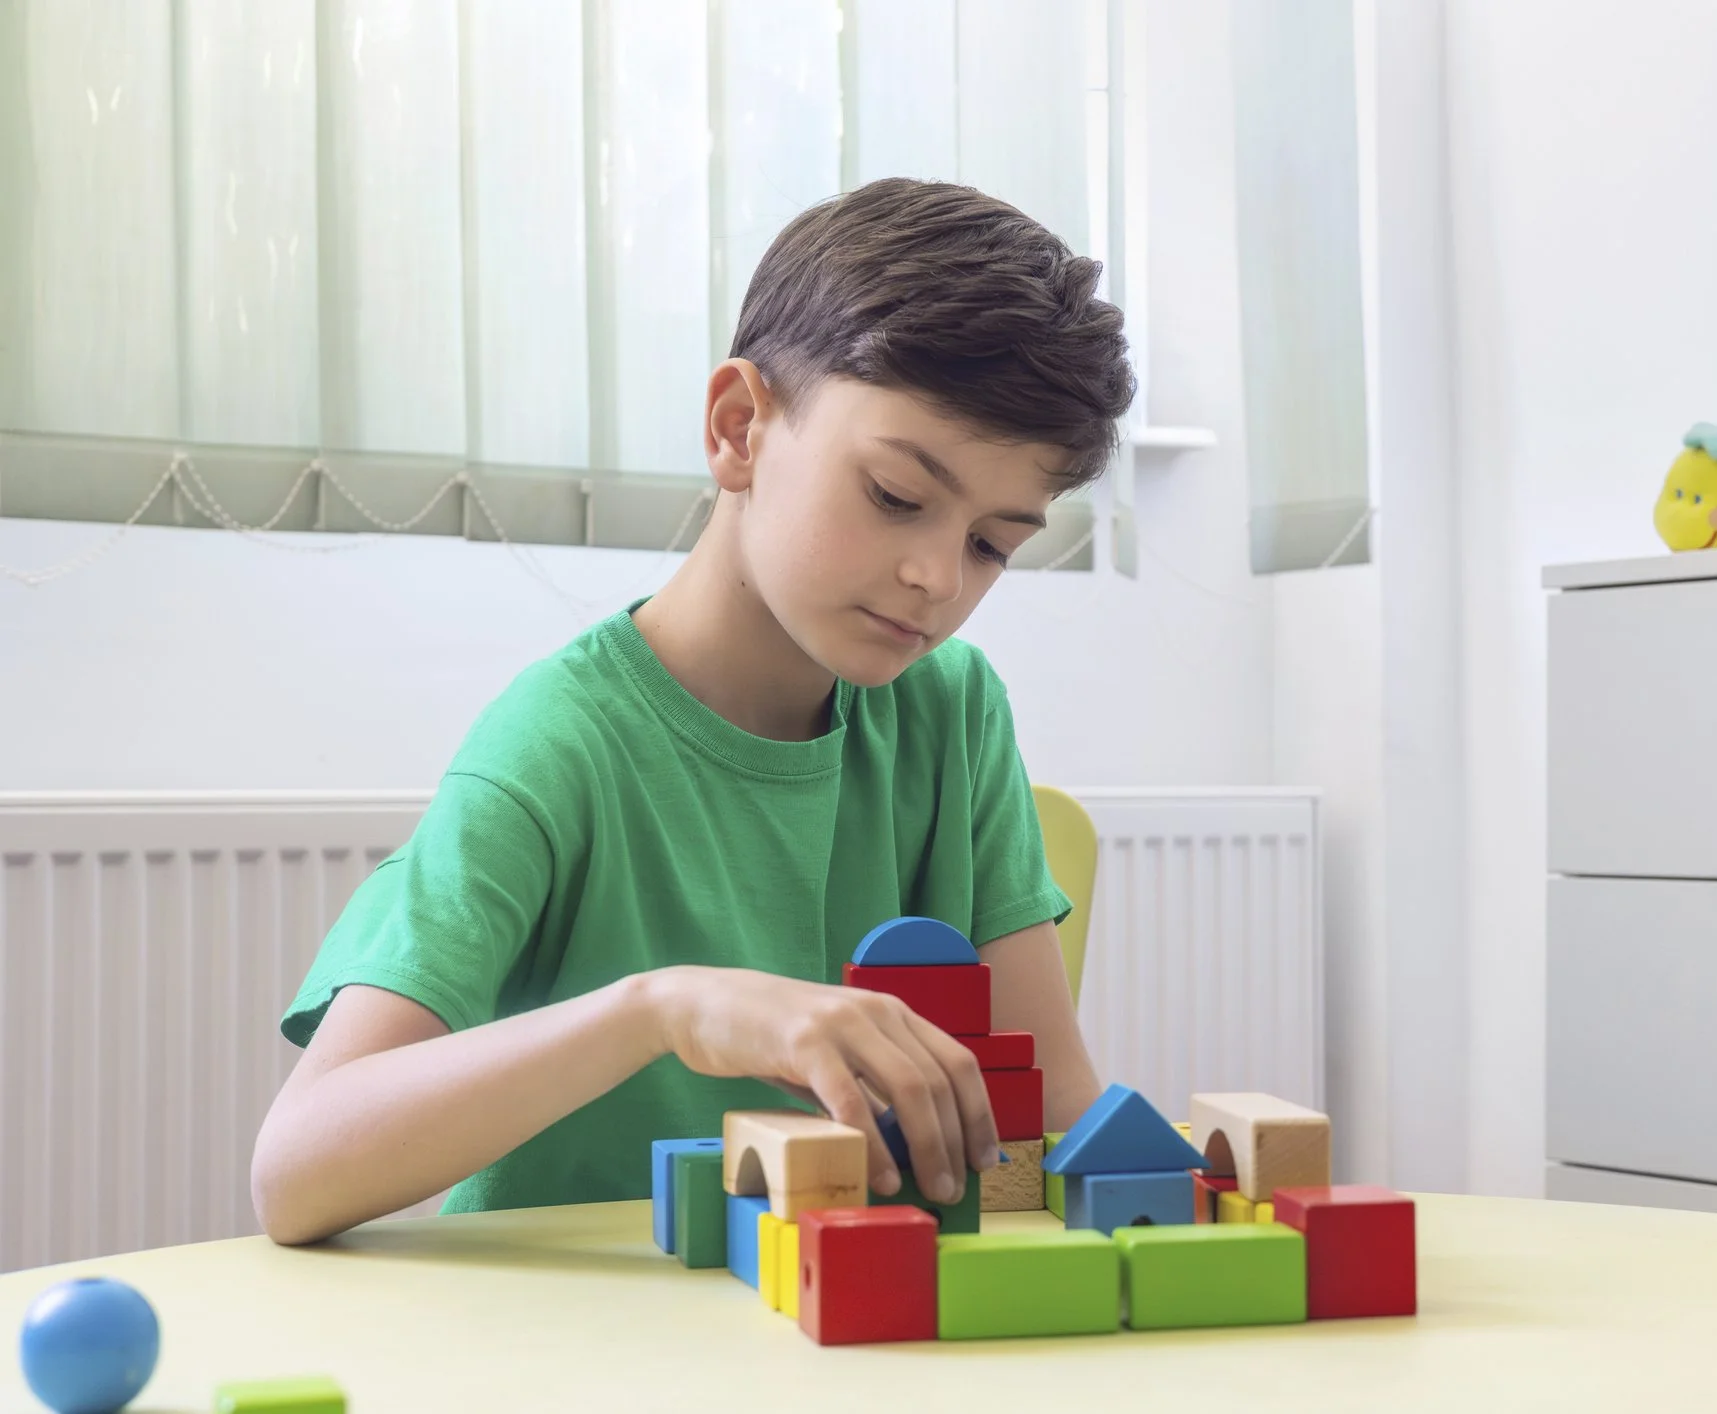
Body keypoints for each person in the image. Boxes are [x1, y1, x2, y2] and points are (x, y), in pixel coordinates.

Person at [251, 178, 1133, 1245]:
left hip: (850, 1343)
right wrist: (664, 1008)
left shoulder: (951, 712)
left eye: (993, 542)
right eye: (898, 496)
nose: (938, 577)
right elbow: (295, 1170)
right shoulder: (559, 741)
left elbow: (1055, 1116)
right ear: (737, 428)